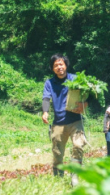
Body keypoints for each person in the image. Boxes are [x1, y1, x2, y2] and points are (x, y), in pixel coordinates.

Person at [41, 54, 89, 187]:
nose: (59, 67)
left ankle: (75, 178)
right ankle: (58, 180)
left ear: (66, 65)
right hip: (58, 123)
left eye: (61, 64)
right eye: (56, 65)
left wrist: (85, 104)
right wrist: (45, 112)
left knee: (79, 146)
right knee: (57, 153)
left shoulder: (76, 79)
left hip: (75, 121)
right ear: (52, 68)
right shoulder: (49, 83)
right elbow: (46, 98)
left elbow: (90, 93)